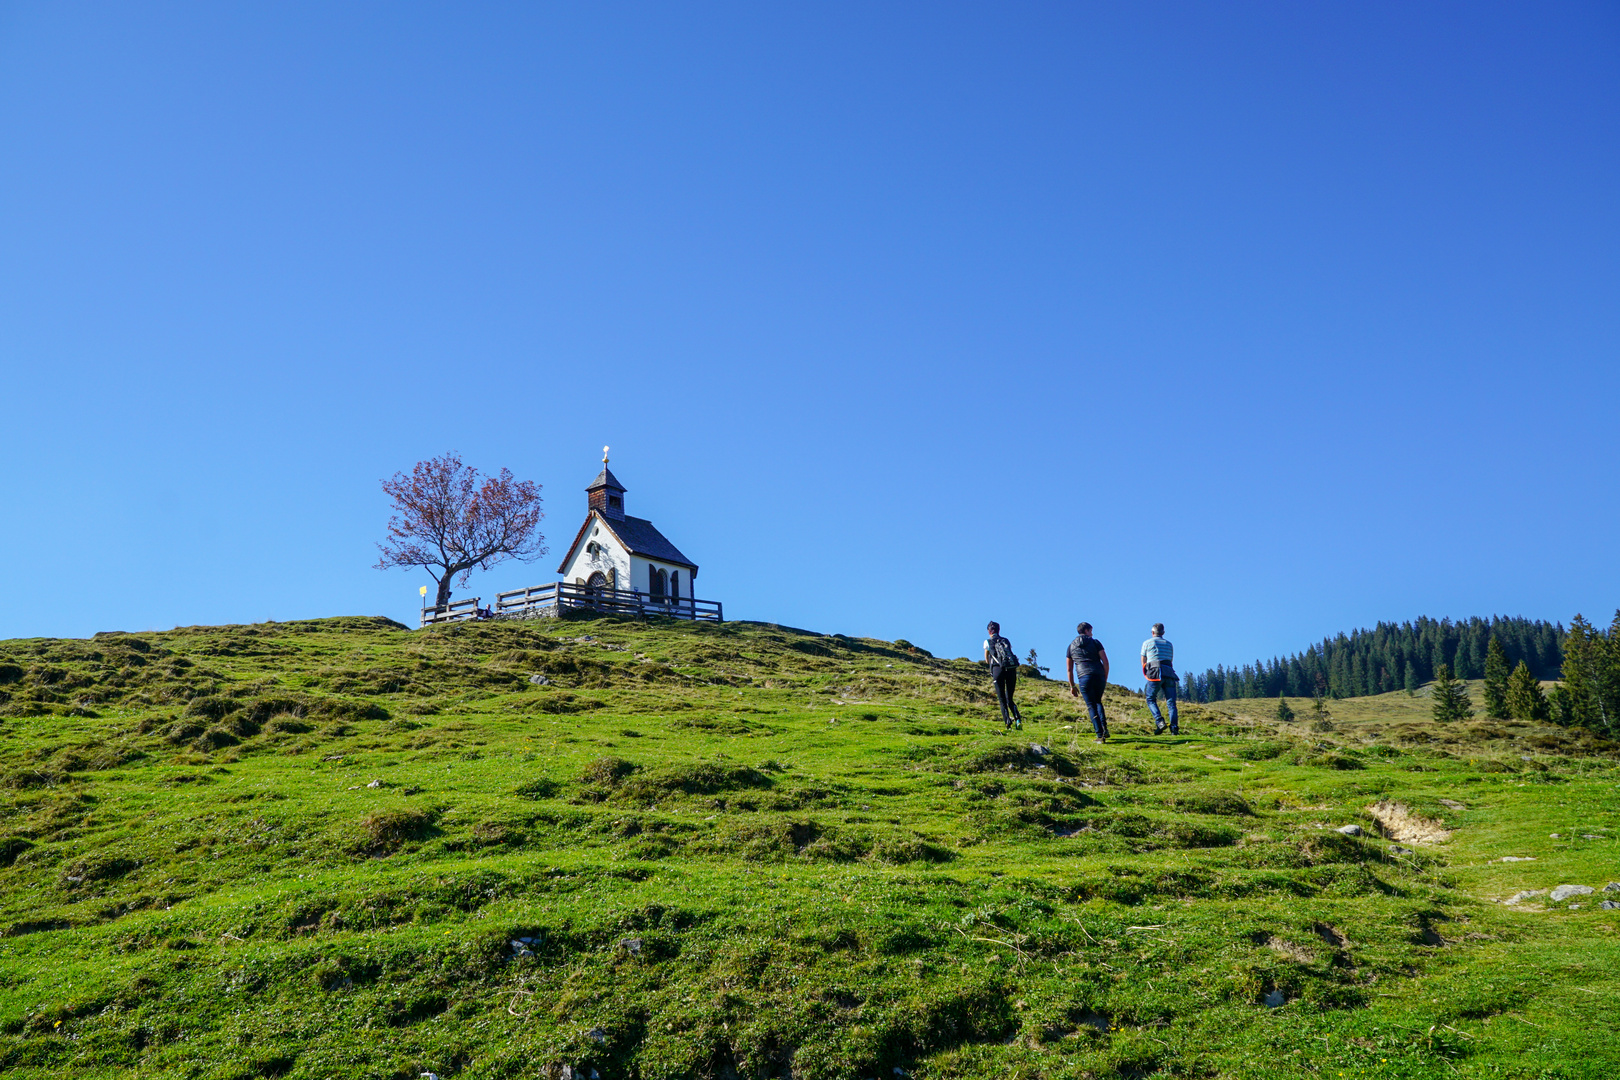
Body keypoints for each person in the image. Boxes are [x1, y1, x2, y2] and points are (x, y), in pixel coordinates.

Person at [1066, 622, 1110, 742]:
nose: (1092, 633)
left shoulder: (1071, 647)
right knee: (1098, 701)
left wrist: (1072, 686)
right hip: (1098, 674)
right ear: (1086, 631)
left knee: (1091, 705)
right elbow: (1105, 661)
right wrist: (1104, 677)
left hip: (1084, 676)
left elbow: (1069, 669)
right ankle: (1104, 728)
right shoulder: (1095, 642)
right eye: (1090, 631)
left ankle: (1099, 735)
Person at [982, 621, 1023, 731]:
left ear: (989, 631)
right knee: (1009, 698)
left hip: (998, 669)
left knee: (1002, 699)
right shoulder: (1006, 640)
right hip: (1011, 669)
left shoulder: (987, 642)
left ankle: (1008, 723)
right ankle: (1017, 718)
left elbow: (987, 658)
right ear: (999, 630)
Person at [1141, 622, 1178, 734]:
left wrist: (1146, 672)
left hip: (1154, 672)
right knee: (1171, 702)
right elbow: (1170, 660)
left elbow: (1143, 660)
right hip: (1169, 672)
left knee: (1150, 698)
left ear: (1152, 632)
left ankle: (1159, 721)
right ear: (1163, 632)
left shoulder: (1147, 643)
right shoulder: (1169, 644)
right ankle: (1174, 728)